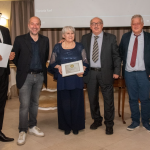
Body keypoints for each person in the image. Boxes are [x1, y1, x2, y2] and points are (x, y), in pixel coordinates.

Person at [12, 16, 49, 145]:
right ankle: (22, 130)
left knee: (34, 103)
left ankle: (32, 126)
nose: (34, 26)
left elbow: (45, 57)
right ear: (28, 25)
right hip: (25, 77)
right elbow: (14, 58)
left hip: (39, 76)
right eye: (32, 24)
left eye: (37, 24)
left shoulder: (45, 40)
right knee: (24, 105)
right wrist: (23, 68)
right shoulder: (19, 39)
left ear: (40, 26)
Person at [81, 17, 121, 135]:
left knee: (108, 100)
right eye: (93, 24)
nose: (96, 25)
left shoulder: (111, 38)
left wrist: (117, 71)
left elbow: (116, 56)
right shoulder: (85, 38)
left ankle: (109, 124)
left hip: (106, 73)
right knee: (92, 99)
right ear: (90, 26)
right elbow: (78, 51)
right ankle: (97, 120)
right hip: (90, 73)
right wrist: (64, 41)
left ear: (102, 25)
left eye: (98, 23)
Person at [48, 26, 89, 135]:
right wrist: (58, 67)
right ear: (63, 35)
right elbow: (52, 63)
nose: (70, 35)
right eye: (68, 33)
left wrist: (84, 68)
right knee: (64, 103)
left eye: (72, 33)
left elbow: (85, 61)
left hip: (76, 79)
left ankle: (76, 126)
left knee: (77, 103)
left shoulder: (80, 46)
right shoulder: (57, 47)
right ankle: (66, 126)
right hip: (63, 80)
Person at [119, 14, 150, 131]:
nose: (136, 25)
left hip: (144, 74)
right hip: (129, 73)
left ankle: (146, 122)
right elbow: (120, 53)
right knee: (132, 98)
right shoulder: (125, 37)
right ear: (131, 25)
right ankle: (135, 121)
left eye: (138, 23)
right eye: (133, 23)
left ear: (142, 25)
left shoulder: (148, 37)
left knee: (145, 99)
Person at [0, 25, 15, 142]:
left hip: (4, 73)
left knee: (1, 104)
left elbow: (9, 49)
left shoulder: (5, 30)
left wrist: (11, 55)